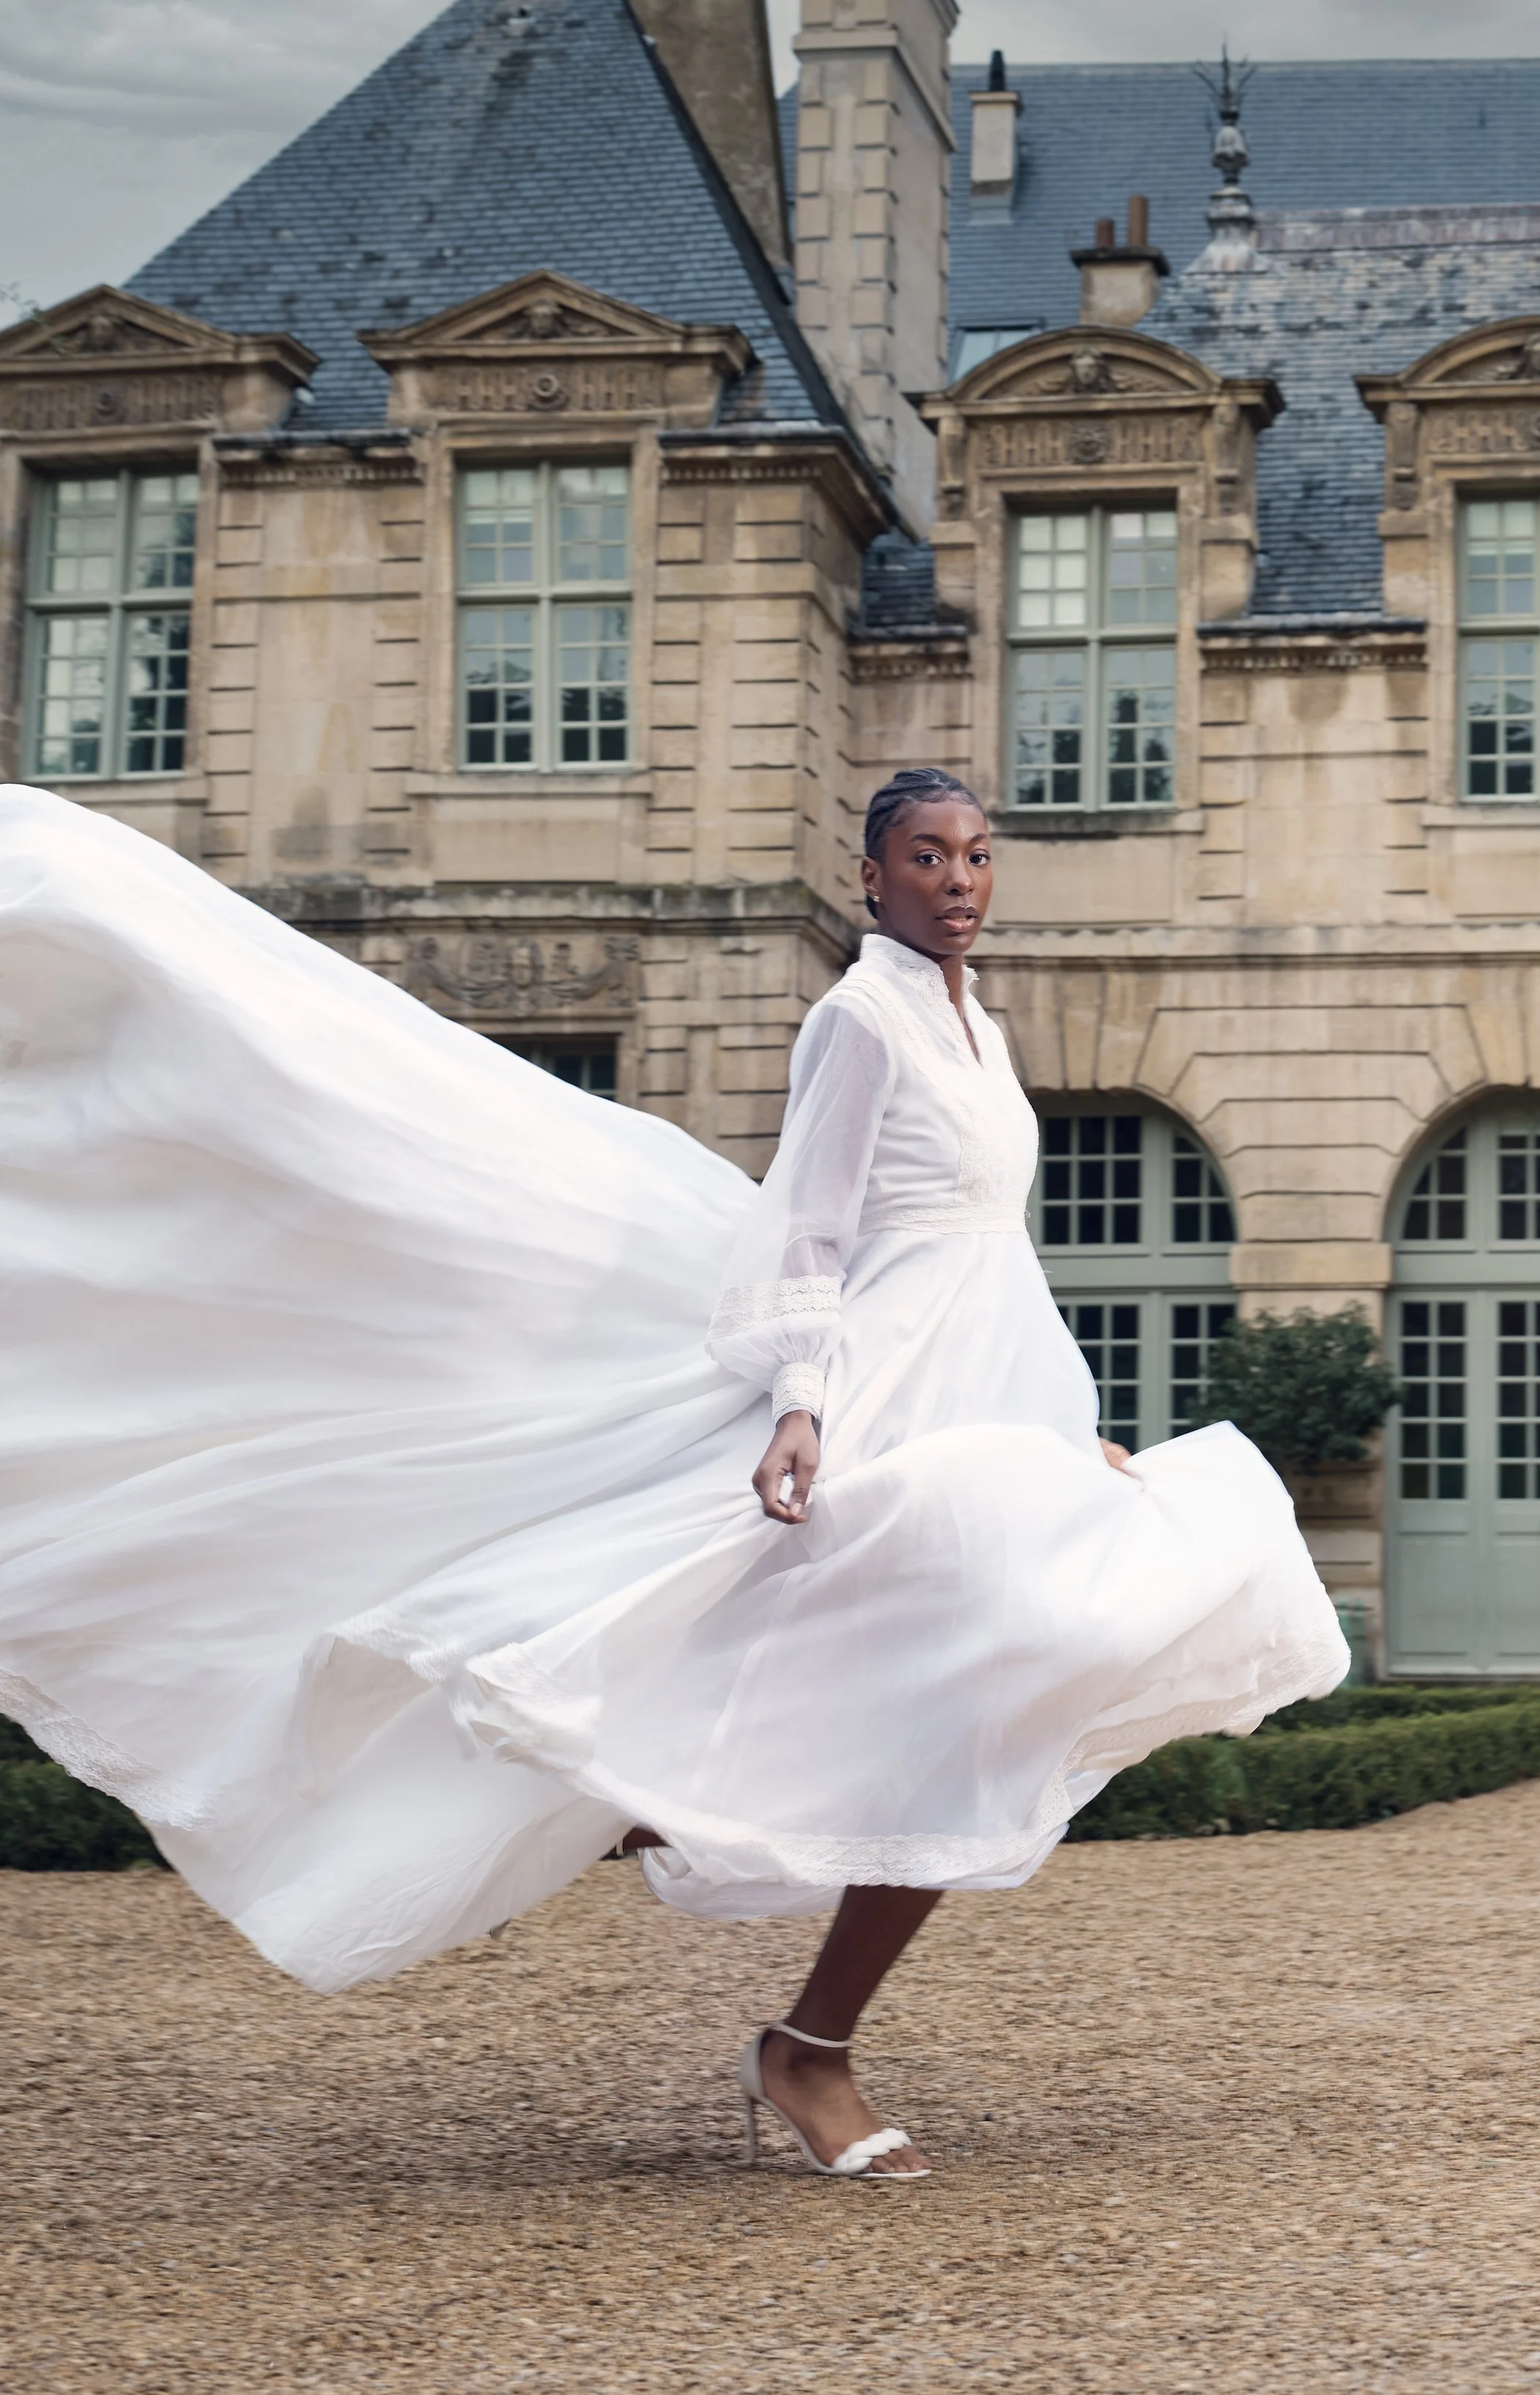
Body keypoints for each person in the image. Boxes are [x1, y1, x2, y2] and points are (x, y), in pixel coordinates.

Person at [0, 769, 1346, 2182]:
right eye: (927, 857)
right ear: (871, 878)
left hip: (980, 1400)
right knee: (906, 1691)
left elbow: (988, 1259)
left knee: (994, 1697)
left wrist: (1067, 1426)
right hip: (871, 1398)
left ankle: (792, 2016)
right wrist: (805, 1407)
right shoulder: (861, 1021)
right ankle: (746, 1961)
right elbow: (807, 1234)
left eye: (977, 855)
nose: (958, 880)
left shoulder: (976, 1027)